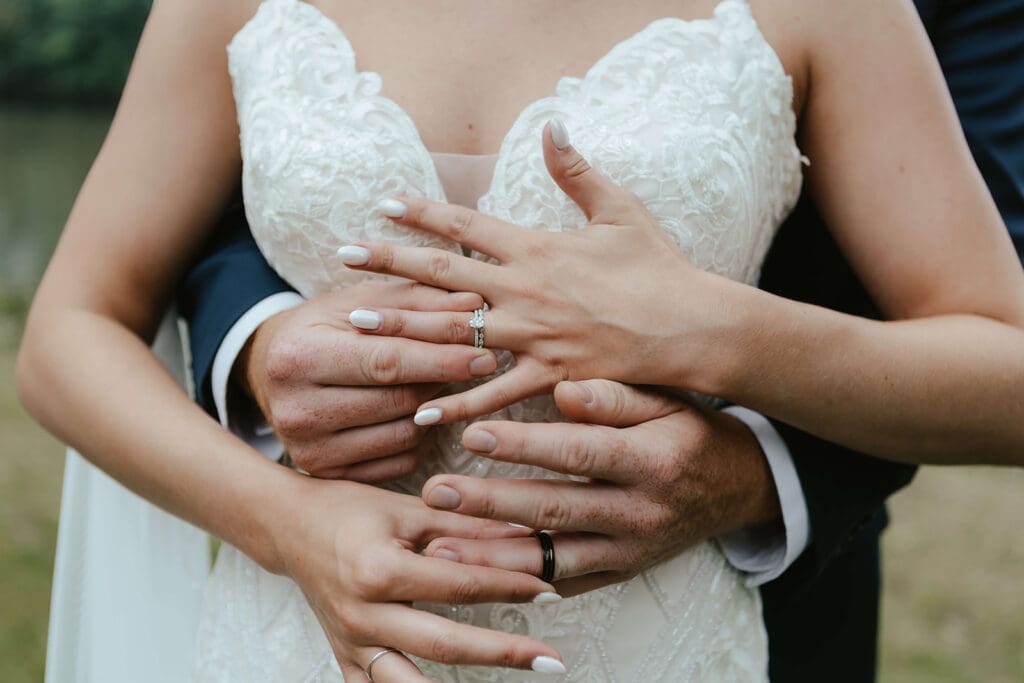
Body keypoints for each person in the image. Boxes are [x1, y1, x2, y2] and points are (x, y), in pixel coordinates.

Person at [16, 1, 1024, 681]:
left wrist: (715, 332)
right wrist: (285, 523)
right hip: (304, 636)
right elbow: (70, 329)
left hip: (650, 640)